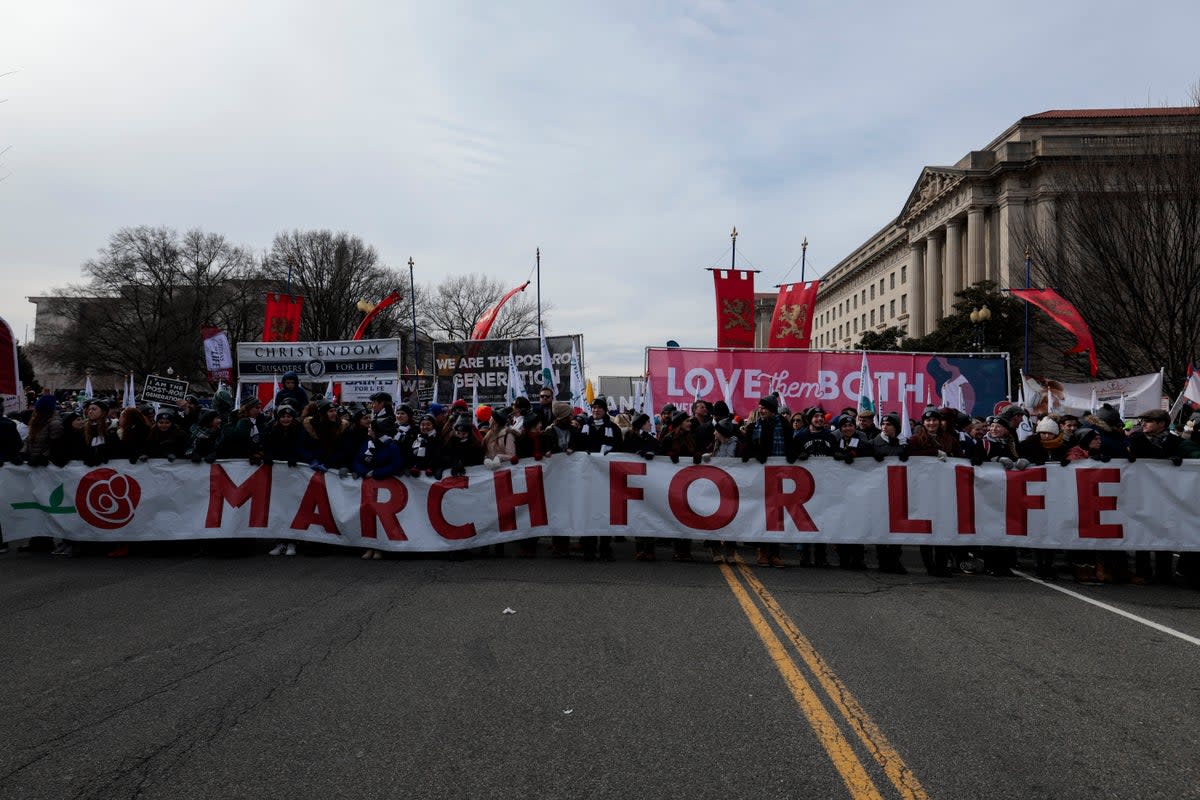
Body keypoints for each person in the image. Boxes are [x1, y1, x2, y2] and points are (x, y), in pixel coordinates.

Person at [1127, 408, 1182, 584]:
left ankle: (1164, 573)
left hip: (1165, 494)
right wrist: (1165, 459)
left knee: (1164, 531)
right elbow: (1141, 454)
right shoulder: (1136, 438)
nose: (1143, 424)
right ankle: (1143, 571)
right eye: (1143, 420)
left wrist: (1180, 460)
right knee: (1143, 530)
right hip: (1142, 492)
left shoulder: (1174, 441)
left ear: (1162, 424)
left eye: (1149, 421)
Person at [744, 395, 788, 568]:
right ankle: (762, 551)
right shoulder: (755, 425)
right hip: (760, 475)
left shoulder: (783, 424)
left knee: (776, 515)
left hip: (779, 475)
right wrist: (754, 453)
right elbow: (748, 445)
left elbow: (790, 442)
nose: (761, 410)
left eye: (764, 408)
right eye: (760, 408)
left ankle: (775, 553)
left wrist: (792, 453)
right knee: (762, 514)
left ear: (772, 409)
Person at [869, 414, 908, 574]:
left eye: (889, 424)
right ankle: (883, 560)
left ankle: (895, 560)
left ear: (896, 427)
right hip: (879, 491)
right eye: (883, 424)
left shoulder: (904, 443)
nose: (885, 426)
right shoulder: (874, 443)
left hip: (897, 491)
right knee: (881, 526)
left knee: (896, 528)